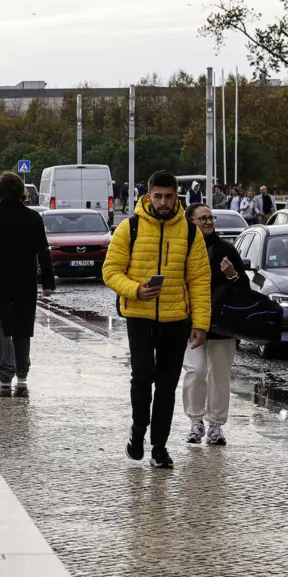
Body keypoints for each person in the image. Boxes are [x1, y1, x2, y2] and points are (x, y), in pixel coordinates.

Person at [102, 169, 211, 469]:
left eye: (169, 197)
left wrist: (200, 323)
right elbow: (110, 271)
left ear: (177, 197)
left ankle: (159, 447)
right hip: (139, 316)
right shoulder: (130, 228)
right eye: (158, 196)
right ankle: (138, 428)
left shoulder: (190, 233)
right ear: (148, 195)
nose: (163, 202)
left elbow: (200, 280)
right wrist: (136, 290)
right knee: (142, 377)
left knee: (166, 384)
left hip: (176, 319)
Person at [0, 172, 55, 397]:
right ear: (22, 192)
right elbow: (43, 251)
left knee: (1, 329)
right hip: (24, 282)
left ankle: (5, 376)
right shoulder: (33, 218)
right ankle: (22, 373)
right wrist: (48, 280)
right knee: (22, 329)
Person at [180, 203, 250, 447]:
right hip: (192, 323)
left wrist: (232, 274)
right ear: (190, 222)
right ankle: (195, 421)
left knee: (219, 375)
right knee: (195, 371)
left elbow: (244, 288)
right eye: (203, 218)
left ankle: (216, 425)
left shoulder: (226, 250)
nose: (208, 222)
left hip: (223, 324)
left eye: (211, 217)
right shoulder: (183, 248)